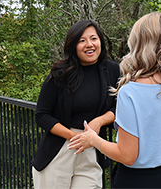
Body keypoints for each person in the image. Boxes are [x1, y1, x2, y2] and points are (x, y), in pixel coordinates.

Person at [68, 12, 161, 189]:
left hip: (138, 180)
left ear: (138, 44)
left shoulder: (130, 91)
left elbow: (127, 155)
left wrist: (94, 140)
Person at [31, 20, 120, 189]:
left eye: (93, 38)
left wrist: (100, 121)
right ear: (73, 45)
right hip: (60, 150)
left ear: (100, 40)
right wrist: (75, 137)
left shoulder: (112, 70)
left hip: (93, 149)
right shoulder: (60, 73)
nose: (89, 44)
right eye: (82, 40)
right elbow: (42, 115)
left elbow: (119, 108)